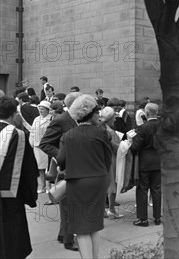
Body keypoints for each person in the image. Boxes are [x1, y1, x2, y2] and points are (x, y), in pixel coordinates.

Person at [56, 94, 112, 259]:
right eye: (97, 112)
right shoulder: (101, 133)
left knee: (81, 227)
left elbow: (61, 162)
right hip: (99, 180)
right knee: (94, 225)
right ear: (92, 114)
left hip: (77, 182)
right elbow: (107, 160)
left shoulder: (68, 135)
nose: (99, 115)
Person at [39, 91, 82, 252]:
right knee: (68, 205)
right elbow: (45, 143)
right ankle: (69, 240)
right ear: (74, 104)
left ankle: (64, 235)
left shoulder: (77, 120)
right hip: (65, 169)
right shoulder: (61, 120)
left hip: (78, 169)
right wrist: (62, 157)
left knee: (69, 205)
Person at [0, 97, 38, 259]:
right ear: (14, 114)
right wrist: (30, 195)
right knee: (11, 238)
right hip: (9, 195)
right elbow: (28, 170)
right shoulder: (17, 135)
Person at [131, 102, 161, 226]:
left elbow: (135, 147)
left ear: (147, 113)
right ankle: (157, 217)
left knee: (142, 189)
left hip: (145, 162)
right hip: (159, 161)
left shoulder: (143, 127)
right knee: (157, 190)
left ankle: (143, 219)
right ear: (157, 112)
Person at [99, 107, 124, 219]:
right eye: (114, 117)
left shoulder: (100, 128)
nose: (115, 119)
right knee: (112, 185)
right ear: (109, 119)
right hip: (111, 159)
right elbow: (116, 148)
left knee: (104, 185)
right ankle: (112, 210)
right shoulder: (110, 132)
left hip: (102, 159)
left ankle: (103, 210)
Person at [29, 100, 52, 193]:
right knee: (39, 168)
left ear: (47, 110)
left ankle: (48, 186)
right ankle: (41, 186)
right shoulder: (36, 119)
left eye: (42, 109)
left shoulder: (51, 119)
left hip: (47, 146)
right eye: (39, 109)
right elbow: (32, 132)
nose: (40, 111)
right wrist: (31, 143)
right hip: (37, 146)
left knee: (48, 168)